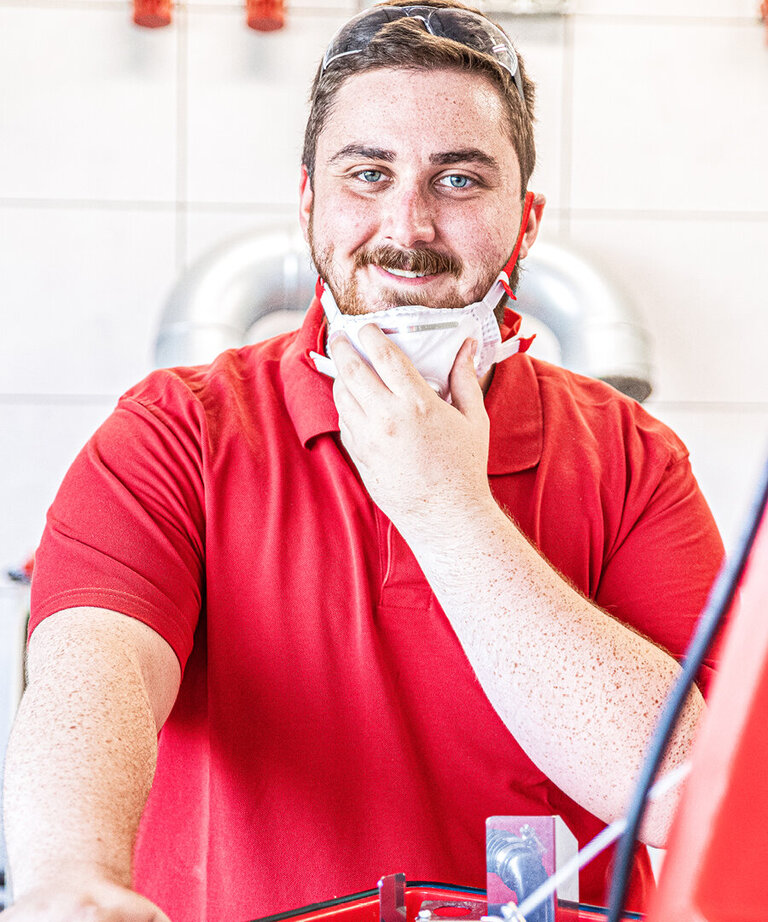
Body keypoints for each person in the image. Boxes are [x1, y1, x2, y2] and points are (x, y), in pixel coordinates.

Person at [1, 2, 724, 921]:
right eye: (368, 175)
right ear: (309, 201)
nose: (407, 226)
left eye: (459, 180)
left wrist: (444, 506)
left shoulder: (630, 459)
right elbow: (91, 676)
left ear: (526, 219)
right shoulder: (176, 433)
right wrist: (69, 881)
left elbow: (689, 797)